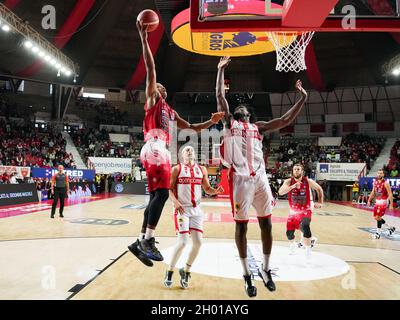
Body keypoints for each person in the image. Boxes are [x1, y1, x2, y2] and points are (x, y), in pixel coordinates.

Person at [128, 20, 225, 268]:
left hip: (160, 150)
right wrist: (144, 38)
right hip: (155, 146)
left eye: (161, 86)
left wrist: (210, 121)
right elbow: (150, 68)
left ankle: (140, 241)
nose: (158, 86)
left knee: (154, 197)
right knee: (161, 194)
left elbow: (191, 128)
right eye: (156, 85)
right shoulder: (152, 101)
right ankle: (148, 240)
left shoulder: (170, 111)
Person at [216, 56, 308, 297]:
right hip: (240, 181)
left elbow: (286, 119)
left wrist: (303, 98)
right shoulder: (230, 124)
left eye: (242, 108)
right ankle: (247, 274)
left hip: (260, 178)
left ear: (249, 114)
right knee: (241, 227)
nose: (238, 108)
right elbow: (220, 99)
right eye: (236, 108)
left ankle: (266, 269)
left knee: (266, 223)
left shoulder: (259, 127)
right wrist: (220, 70)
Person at [164, 146, 224, 289]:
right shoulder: (176, 169)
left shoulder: (202, 169)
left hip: (196, 210)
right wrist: (175, 201)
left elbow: (207, 189)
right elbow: (169, 189)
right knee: (183, 242)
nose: (189, 151)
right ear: (182, 155)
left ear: (195, 154)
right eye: (186, 150)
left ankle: (186, 270)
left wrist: (215, 191)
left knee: (198, 243)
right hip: (181, 209)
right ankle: (170, 270)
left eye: (191, 150)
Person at [278, 164, 324, 259]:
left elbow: (319, 189)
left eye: (298, 169)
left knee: (305, 226)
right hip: (293, 211)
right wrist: (293, 186)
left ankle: (308, 251)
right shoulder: (288, 181)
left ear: (302, 171)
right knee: (289, 233)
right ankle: (296, 244)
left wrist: (320, 202)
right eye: (294, 169)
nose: (296, 171)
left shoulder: (308, 181)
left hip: (306, 209)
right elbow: (280, 192)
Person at [367, 169, 396, 239]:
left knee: (377, 217)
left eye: (381, 173)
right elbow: (373, 192)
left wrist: (391, 205)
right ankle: (390, 228)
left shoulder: (386, 183)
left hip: (383, 202)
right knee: (376, 217)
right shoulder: (375, 182)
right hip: (377, 201)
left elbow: (390, 194)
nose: (379, 174)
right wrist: (369, 200)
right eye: (378, 173)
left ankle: (378, 234)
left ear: (383, 175)